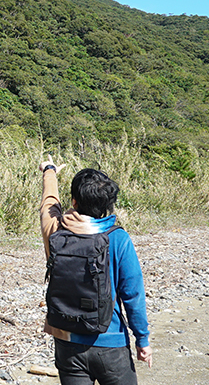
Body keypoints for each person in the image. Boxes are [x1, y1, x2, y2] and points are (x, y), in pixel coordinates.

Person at [39, 157, 152, 385]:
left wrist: (49, 171)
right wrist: (142, 339)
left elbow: (48, 204)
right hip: (110, 344)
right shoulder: (117, 238)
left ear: (74, 201)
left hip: (66, 341)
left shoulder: (56, 231)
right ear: (108, 206)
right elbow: (132, 294)